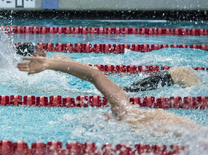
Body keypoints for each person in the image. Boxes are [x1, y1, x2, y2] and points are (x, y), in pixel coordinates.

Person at [18, 56, 201, 133]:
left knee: (184, 73)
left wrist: (49, 63)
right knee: (184, 73)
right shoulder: (133, 118)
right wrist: (49, 63)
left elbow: (95, 74)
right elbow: (95, 74)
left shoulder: (132, 118)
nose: (105, 115)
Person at [15, 42, 203, 92]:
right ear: (30, 57)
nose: (39, 46)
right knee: (183, 73)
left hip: (111, 87)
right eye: (33, 48)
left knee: (183, 74)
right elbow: (91, 73)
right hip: (116, 89)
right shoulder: (56, 59)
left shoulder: (43, 74)